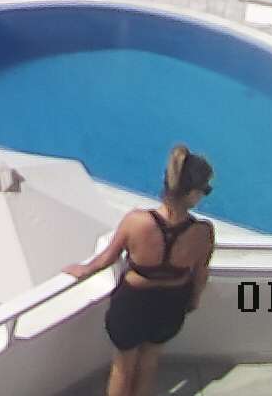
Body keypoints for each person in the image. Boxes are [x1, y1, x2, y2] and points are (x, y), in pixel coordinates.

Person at [63, 145, 216, 396]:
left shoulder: (136, 222)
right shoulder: (203, 232)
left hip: (133, 303)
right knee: (149, 363)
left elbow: (106, 259)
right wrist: (194, 300)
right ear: (193, 193)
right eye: (205, 190)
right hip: (171, 303)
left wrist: (84, 269)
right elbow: (200, 274)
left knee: (122, 368)